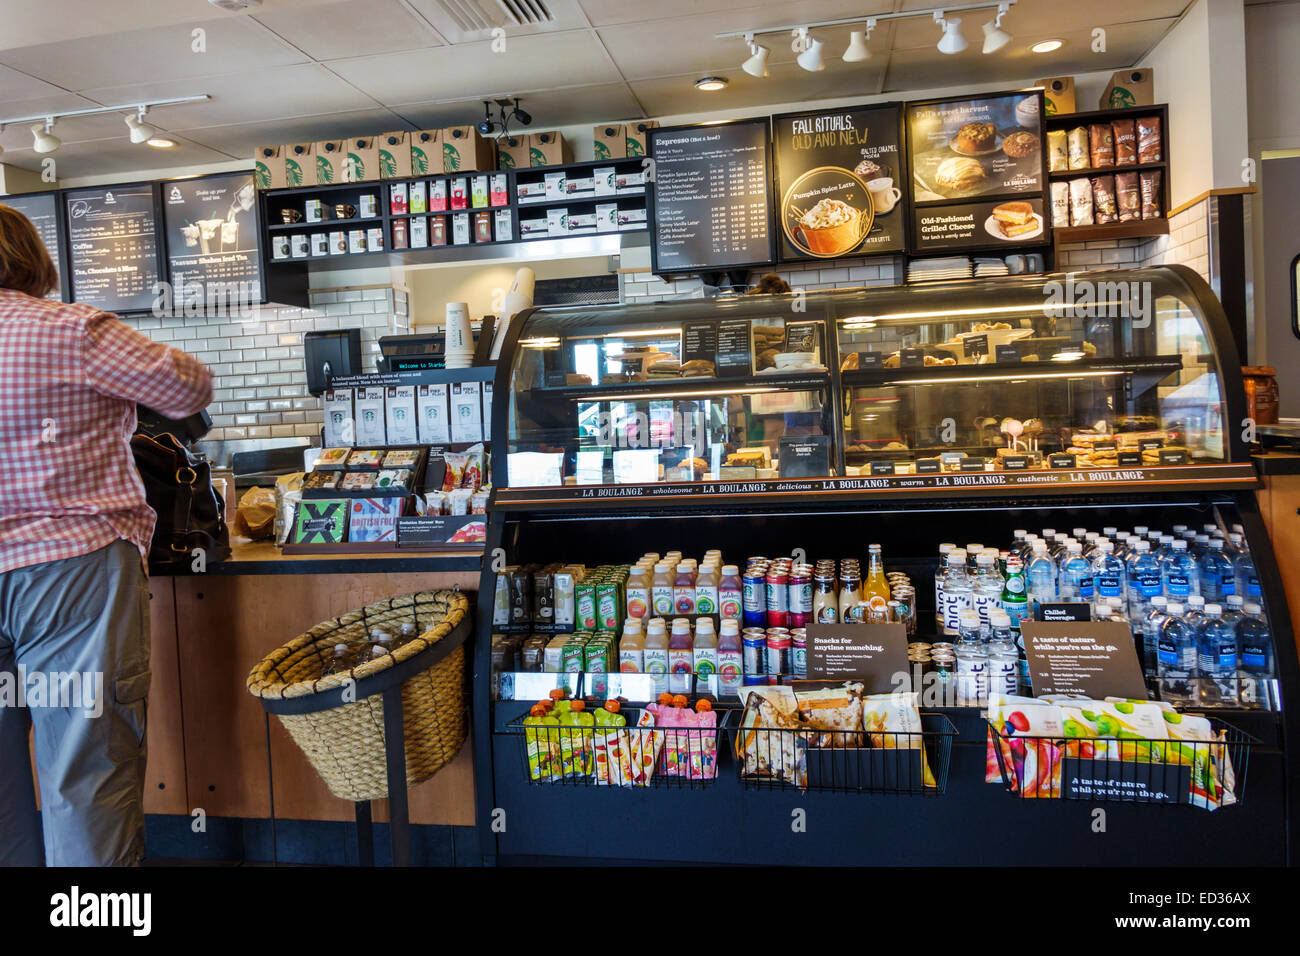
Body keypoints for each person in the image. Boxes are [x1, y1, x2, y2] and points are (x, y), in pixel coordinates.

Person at [0, 204, 212, 866]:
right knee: (85, 774)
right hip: (69, 571)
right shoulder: (72, 330)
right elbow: (188, 388)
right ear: (32, 258)